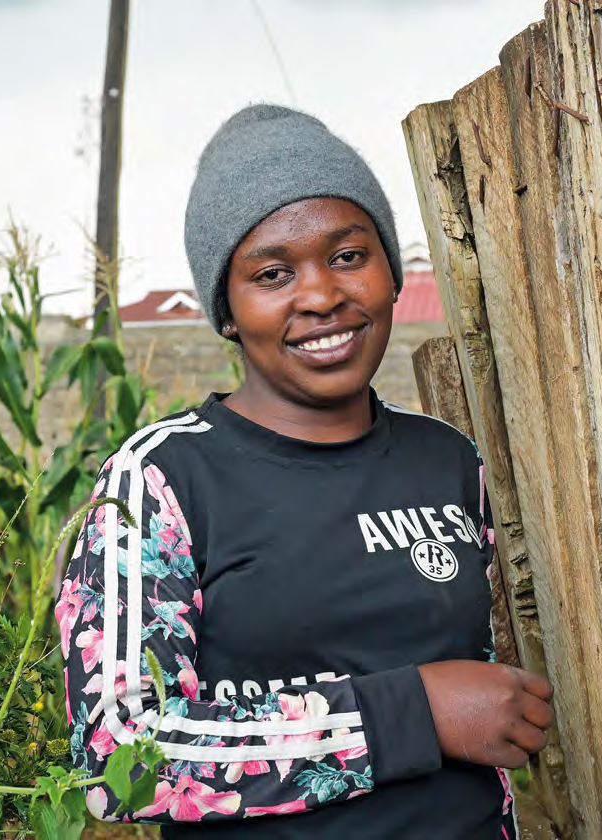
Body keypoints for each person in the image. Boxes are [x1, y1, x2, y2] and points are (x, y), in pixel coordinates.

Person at [56, 104, 555, 839]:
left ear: (391, 274)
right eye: (273, 273)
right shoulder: (160, 480)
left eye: (348, 256)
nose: (321, 296)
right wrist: (413, 714)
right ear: (228, 311)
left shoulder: (448, 460)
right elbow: (118, 759)